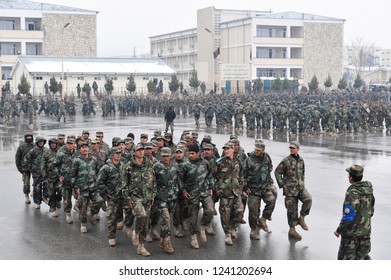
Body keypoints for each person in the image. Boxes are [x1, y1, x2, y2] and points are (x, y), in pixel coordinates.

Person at [122, 144, 156, 257]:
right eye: (139, 150)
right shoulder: (129, 167)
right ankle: (135, 232)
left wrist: (154, 193)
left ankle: (141, 247)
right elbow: (124, 184)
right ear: (134, 152)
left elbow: (153, 179)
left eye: (142, 150)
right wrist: (127, 197)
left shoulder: (149, 164)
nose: (141, 152)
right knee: (141, 215)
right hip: (135, 197)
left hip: (148, 196)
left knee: (145, 225)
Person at [334, 165, 375, 260]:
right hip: (365, 232)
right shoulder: (368, 191)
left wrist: (338, 230)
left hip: (351, 236)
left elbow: (348, 216)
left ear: (351, 177)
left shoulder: (352, 193)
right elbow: (371, 210)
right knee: (363, 257)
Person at [178, 143, 214, 249]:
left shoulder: (205, 163)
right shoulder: (186, 165)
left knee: (210, 210)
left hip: (204, 192)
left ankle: (202, 226)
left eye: (193, 153)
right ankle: (193, 237)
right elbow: (180, 179)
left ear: (198, 153)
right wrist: (184, 191)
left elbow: (210, 176)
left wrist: (211, 187)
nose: (190, 155)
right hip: (192, 194)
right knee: (192, 216)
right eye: (189, 153)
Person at [274, 141, 312, 240]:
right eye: (290, 148)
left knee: (308, 199)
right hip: (290, 190)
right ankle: (292, 230)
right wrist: (283, 185)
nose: (291, 149)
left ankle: (302, 217)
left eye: (293, 148)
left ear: (298, 149)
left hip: (300, 188)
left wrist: (302, 183)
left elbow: (302, 173)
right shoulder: (286, 161)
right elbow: (277, 172)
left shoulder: (301, 160)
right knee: (292, 210)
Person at [212, 142, 244, 246]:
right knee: (225, 214)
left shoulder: (238, 161)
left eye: (228, 149)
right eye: (225, 149)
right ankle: (227, 234)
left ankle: (233, 227)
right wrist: (217, 189)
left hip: (236, 192)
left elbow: (241, 175)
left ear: (233, 149)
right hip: (224, 192)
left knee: (239, 211)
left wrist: (240, 187)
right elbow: (213, 176)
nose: (226, 150)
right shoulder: (219, 162)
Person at [243, 142, 277, 240]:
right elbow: (242, 174)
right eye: (256, 150)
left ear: (263, 150)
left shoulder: (267, 157)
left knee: (271, 200)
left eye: (259, 150)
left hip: (264, 187)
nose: (256, 151)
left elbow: (269, 169)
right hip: (253, 189)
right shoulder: (249, 160)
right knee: (253, 211)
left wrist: (269, 180)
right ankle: (253, 230)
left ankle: (263, 219)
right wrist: (245, 187)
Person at [94, 147, 125, 247]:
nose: (118, 155)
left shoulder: (123, 165)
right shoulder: (106, 168)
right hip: (112, 196)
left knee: (125, 214)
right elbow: (99, 182)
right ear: (112, 154)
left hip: (122, 195)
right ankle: (111, 237)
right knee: (111, 217)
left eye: (120, 153)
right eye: (116, 153)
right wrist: (106, 195)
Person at [153, 147, 180, 254]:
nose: (165, 158)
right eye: (163, 156)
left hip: (172, 198)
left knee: (166, 221)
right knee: (167, 219)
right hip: (161, 198)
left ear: (170, 156)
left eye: (167, 156)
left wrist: (179, 191)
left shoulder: (174, 167)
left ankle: (162, 239)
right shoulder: (156, 167)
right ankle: (167, 242)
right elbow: (151, 182)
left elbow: (178, 181)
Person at [71, 141, 100, 233]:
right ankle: (83, 224)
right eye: (82, 147)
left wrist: (98, 185)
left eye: (86, 147)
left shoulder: (94, 159)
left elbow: (98, 173)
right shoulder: (77, 161)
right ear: (80, 150)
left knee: (99, 200)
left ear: (88, 148)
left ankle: (91, 214)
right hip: (82, 188)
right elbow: (72, 176)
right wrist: (76, 187)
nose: (84, 149)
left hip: (93, 187)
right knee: (83, 208)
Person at [53, 137, 76, 224]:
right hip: (66, 179)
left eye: (72, 144)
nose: (70, 146)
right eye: (69, 144)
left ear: (74, 145)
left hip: (76, 180)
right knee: (67, 198)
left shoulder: (77, 153)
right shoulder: (61, 154)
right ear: (66, 145)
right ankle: (68, 214)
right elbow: (55, 165)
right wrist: (59, 176)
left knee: (80, 197)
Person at [22, 136, 49, 209]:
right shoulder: (33, 151)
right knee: (37, 187)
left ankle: (45, 197)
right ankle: (37, 202)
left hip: (45, 172)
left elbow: (50, 160)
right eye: (39, 142)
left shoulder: (46, 150)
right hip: (36, 173)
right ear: (37, 142)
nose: (41, 143)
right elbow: (26, 160)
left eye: (42, 141)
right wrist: (31, 168)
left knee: (47, 186)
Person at [15, 133, 34, 204]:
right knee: (26, 183)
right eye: (27, 137)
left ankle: (34, 192)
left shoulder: (35, 145)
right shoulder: (21, 146)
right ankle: (26, 195)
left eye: (30, 137)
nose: (29, 138)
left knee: (37, 182)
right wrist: (20, 169)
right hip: (25, 168)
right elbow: (17, 158)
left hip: (34, 168)